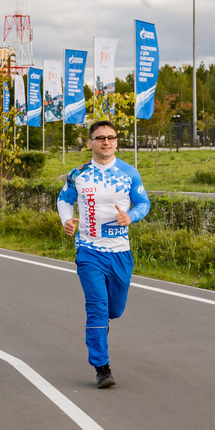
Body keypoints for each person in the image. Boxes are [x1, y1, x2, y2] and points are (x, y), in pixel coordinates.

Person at [57, 120, 151, 388]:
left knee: (115, 309)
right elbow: (64, 199)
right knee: (97, 308)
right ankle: (102, 367)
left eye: (111, 137)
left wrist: (130, 217)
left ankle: (103, 324)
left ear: (117, 141)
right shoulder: (79, 174)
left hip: (120, 253)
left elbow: (144, 203)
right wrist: (67, 218)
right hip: (89, 251)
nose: (106, 142)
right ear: (90, 143)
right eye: (100, 138)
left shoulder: (129, 173)